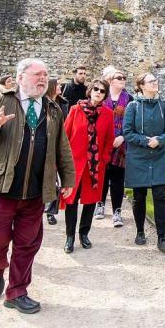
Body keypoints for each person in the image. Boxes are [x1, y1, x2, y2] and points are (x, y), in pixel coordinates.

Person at [0, 58, 75, 314]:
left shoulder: (52, 109)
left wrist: (68, 179)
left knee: (27, 245)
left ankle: (17, 292)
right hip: (1, 188)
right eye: (37, 74)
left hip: (35, 193)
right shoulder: (1, 101)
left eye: (45, 74)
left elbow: (62, 147)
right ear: (20, 78)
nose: (43, 78)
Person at [123, 72, 165, 253]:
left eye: (155, 80)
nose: (155, 83)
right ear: (141, 86)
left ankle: (161, 236)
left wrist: (160, 140)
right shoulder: (133, 107)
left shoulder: (163, 105)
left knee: (160, 195)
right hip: (138, 157)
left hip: (159, 156)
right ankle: (140, 232)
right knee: (139, 196)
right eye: (151, 81)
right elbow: (127, 132)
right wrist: (146, 141)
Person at [60, 79, 114, 253]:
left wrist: (104, 159)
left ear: (105, 95)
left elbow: (109, 140)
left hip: (96, 166)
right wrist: (63, 162)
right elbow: (65, 136)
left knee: (90, 201)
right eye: (96, 89)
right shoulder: (75, 110)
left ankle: (84, 234)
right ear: (90, 91)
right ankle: (70, 237)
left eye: (102, 91)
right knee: (71, 200)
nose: (98, 92)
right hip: (75, 164)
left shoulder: (108, 114)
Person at [95, 66, 132, 227]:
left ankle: (117, 211)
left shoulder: (129, 99)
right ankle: (100, 204)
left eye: (124, 78)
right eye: (119, 78)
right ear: (110, 81)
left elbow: (132, 122)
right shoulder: (102, 96)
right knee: (102, 176)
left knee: (118, 178)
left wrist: (122, 136)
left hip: (121, 146)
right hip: (102, 144)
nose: (122, 80)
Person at [44, 78, 70, 225]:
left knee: (56, 180)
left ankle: (50, 211)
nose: (60, 86)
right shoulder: (43, 104)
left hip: (59, 144)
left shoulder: (63, 103)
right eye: (58, 84)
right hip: (46, 145)